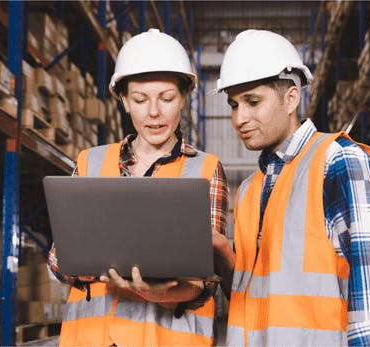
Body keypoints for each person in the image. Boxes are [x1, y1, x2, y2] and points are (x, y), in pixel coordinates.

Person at [211, 29, 370, 346]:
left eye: (253, 101)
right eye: (234, 105)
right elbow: (254, 298)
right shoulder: (249, 190)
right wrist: (221, 254)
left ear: (292, 98)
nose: (239, 118)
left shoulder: (339, 163)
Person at [47, 28, 229, 346]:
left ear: (184, 98)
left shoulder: (206, 170)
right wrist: (94, 265)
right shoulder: (90, 162)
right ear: (124, 101)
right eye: (140, 100)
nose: (154, 112)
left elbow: (206, 283)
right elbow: (59, 263)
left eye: (167, 98)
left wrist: (154, 290)